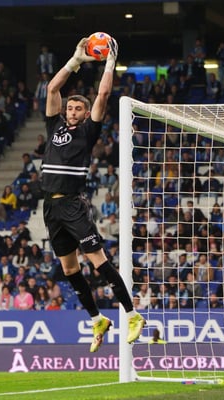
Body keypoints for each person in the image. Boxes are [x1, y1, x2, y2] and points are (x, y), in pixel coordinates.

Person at [41, 35, 145, 353]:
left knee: (98, 262)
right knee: (70, 270)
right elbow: (52, 89)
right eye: (70, 108)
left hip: (73, 204)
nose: (72, 111)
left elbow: (102, 94)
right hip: (50, 208)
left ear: (86, 114)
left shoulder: (88, 131)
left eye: (77, 108)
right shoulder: (54, 127)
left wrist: (110, 62)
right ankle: (98, 319)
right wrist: (75, 61)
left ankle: (132, 315)